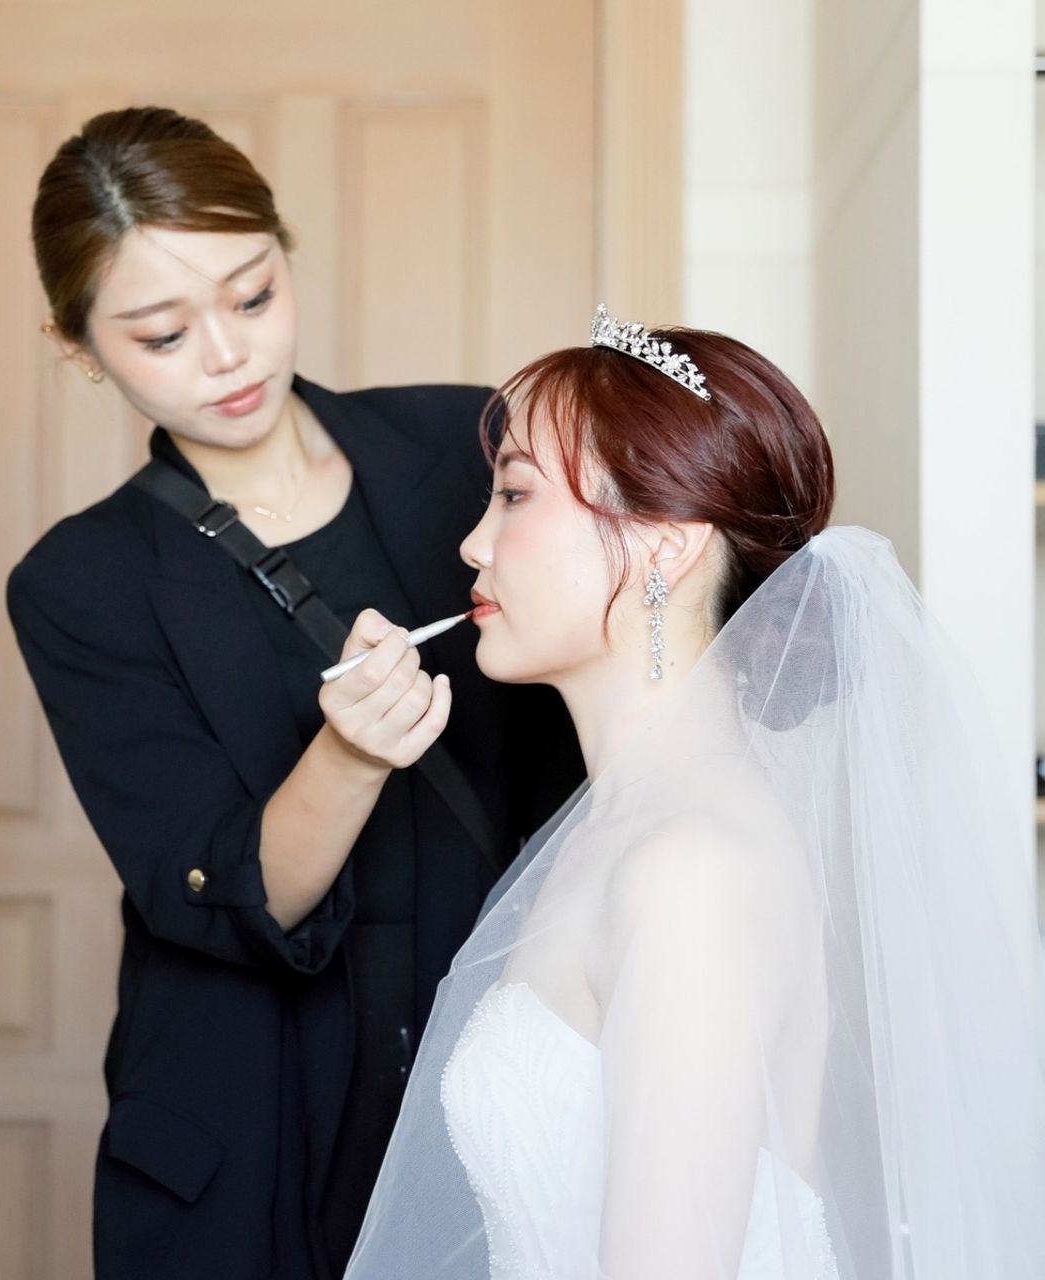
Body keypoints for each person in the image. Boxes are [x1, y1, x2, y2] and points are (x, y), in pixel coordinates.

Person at [346, 308, 1045, 1278]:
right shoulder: (616, 826)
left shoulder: (691, 869)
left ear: (664, 548)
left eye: (513, 494)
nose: (472, 543)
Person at [6, 106, 582, 1280]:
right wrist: (348, 754)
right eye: (163, 333)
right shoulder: (79, 582)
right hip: (240, 1119)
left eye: (253, 295)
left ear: (284, 254)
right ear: (78, 347)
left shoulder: (467, 443)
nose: (227, 355)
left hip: (493, 1066)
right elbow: (214, 891)